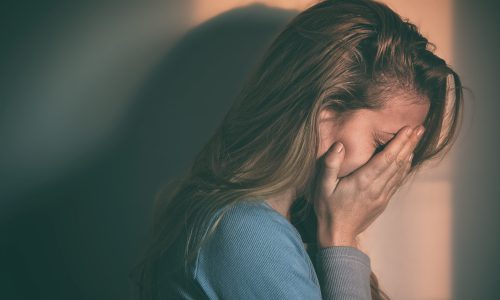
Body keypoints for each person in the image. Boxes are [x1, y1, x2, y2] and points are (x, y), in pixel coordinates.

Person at [130, 0, 464, 299]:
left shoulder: (267, 223)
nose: (390, 169)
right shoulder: (247, 233)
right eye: (384, 144)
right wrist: (340, 237)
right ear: (323, 110)